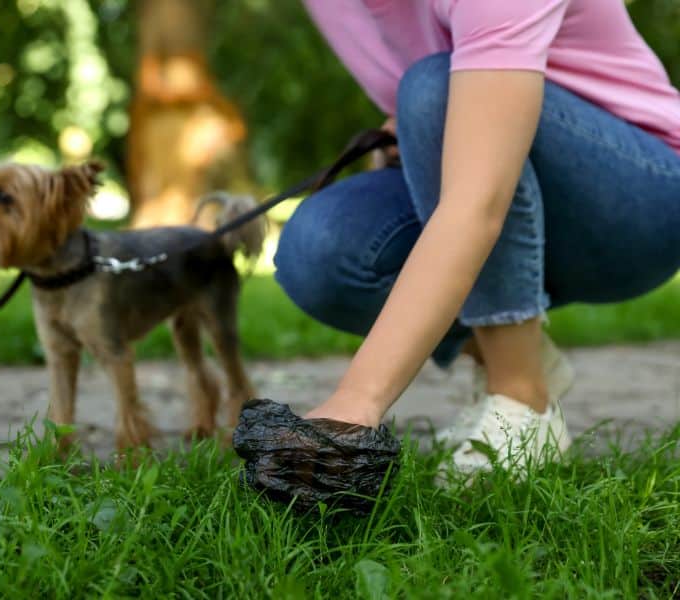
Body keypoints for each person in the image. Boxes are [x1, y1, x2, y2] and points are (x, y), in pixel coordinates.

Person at [272, 0, 680, 477]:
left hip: (640, 202)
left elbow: (477, 202)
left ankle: (522, 401)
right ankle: (521, 353)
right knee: (322, 251)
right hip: (494, 175)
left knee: (435, 90)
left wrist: (355, 403)